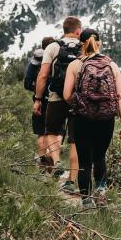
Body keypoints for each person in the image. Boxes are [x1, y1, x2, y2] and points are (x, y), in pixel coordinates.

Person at [63, 28, 121, 207]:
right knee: (100, 157)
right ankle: (101, 191)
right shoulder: (112, 65)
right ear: (99, 43)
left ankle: (86, 200)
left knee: (84, 160)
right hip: (106, 121)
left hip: (82, 119)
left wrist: (81, 105)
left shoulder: (75, 65)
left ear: (81, 45)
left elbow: (66, 95)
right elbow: (120, 98)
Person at [33, 16, 81, 188]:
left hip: (56, 98)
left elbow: (43, 75)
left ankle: (57, 161)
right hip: (78, 100)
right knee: (76, 140)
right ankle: (71, 181)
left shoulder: (54, 46)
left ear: (63, 29)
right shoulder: (84, 48)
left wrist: (38, 99)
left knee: (51, 131)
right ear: (78, 31)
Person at [24, 36, 55, 165]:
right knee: (53, 132)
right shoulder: (56, 60)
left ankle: (42, 160)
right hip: (55, 101)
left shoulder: (35, 61)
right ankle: (53, 160)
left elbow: (26, 83)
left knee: (41, 133)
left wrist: (37, 90)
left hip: (39, 101)